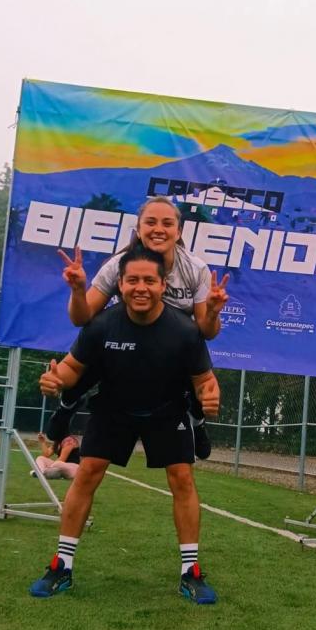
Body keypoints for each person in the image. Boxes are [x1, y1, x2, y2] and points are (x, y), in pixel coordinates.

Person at [30, 244, 221, 605]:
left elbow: (204, 380)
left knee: (182, 478)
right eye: (132, 280)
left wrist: (210, 396)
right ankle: (61, 567)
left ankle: (191, 573)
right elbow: (71, 368)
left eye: (149, 280)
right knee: (87, 473)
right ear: (120, 284)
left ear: (163, 285)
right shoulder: (101, 325)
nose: (140, 287)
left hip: (166, 410)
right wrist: (55, 379)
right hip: (113, 409)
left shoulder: (185, 331)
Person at [46, 196, 229, 460]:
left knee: (197, 373)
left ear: (178, 232)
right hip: (127, 342)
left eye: (167, 223)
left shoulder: (195, 268)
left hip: (169, 350)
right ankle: (66, 407)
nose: (158, 229)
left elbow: (207, 332)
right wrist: (77, 290)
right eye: (150, 222)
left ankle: (197, 423)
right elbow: (82, 318)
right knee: (92, 345)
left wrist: (211, 312)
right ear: (139, 230)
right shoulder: (119, 264)